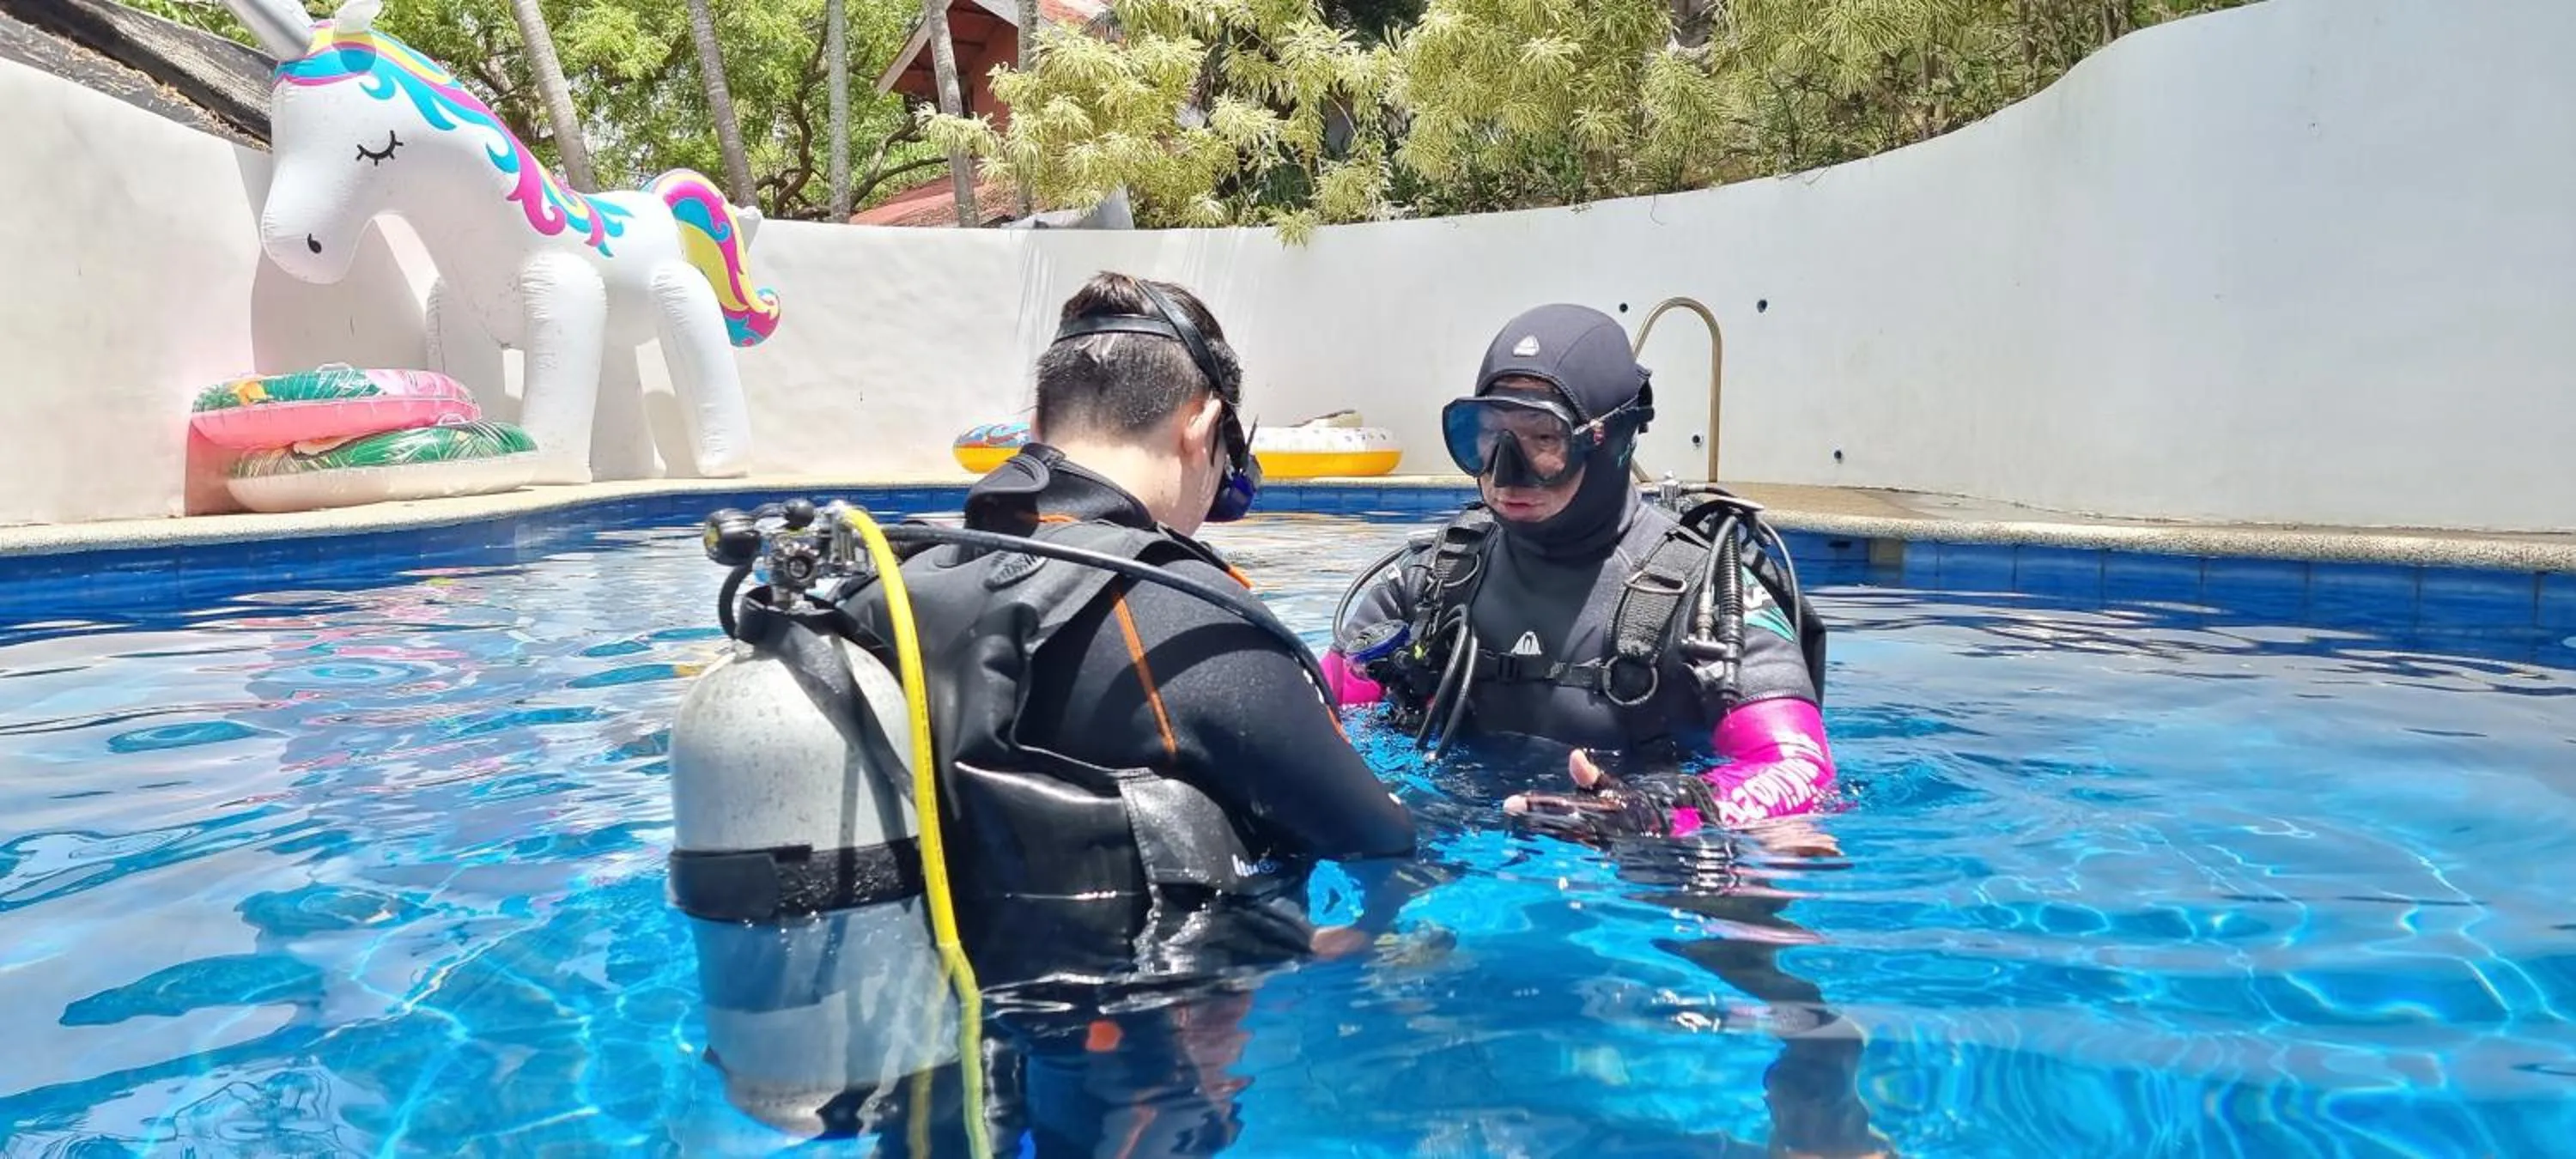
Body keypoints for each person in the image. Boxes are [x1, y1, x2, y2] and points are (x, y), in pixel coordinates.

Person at [833, 272, 1417, 1156]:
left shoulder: (898, 584)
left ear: (1038, 427)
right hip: (1133, 1083)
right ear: (1203, 426)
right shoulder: (1177, 613)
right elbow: (1383, 840)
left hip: (925, 1063)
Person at [1321, 301, 1839, 842]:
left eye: (1544, 440)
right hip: (1450, 845)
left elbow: (1797, 769)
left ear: (1611, 440)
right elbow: (1306, 711)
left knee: (1788, 862)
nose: (1505, 473)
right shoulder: (1432, 581)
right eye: (1487, 435)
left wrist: (1660, 816)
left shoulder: (1708, 595)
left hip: (1634, 880)